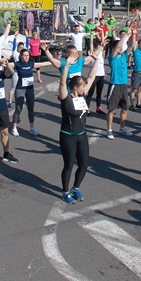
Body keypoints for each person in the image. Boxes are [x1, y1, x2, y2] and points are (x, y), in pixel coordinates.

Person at [58, 48, 101, 203]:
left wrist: (97, 60)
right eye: (82, 86)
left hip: (81, 135)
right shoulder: (66, 97)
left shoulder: (82, 96)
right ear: (75, 87)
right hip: (68, 136)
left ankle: (75, 188)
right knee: (69, 165)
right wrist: (67, 65)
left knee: (84, 165)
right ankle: (65, 192)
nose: (85, 88)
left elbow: (92, 77)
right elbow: (62, 82)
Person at [11, 48, 51, 136]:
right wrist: (2, 62)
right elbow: (8, 65)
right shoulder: (17, 64)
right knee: (18, 108)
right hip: (20, 88)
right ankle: (14, 128)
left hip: (29, 89)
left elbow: (42, 64)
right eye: (24, 55)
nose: (26, 57)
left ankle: (32, 128)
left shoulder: (30, 64)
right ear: (21, 56)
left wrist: (53, 61)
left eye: (28, 55)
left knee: (31, 108)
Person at [105, 31, 133, 139]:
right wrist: (126, 35)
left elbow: (131, 46)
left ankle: (122, 128)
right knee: (111, 109)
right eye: (119, 47)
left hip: (123, 85)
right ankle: (109, 130)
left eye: (122, 47)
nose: (121, 48)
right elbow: (117, 47)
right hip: (114, 85)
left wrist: (133, 34)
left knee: (125, 108)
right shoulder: (112, 57)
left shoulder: (124, 56)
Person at [129, 39, 141, 111]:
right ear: (138, 45)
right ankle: (131, 105)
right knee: (133, 89)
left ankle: (138, 103)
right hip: (137, 73)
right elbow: (133, 43)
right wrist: (134, 34)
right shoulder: (135, 51)